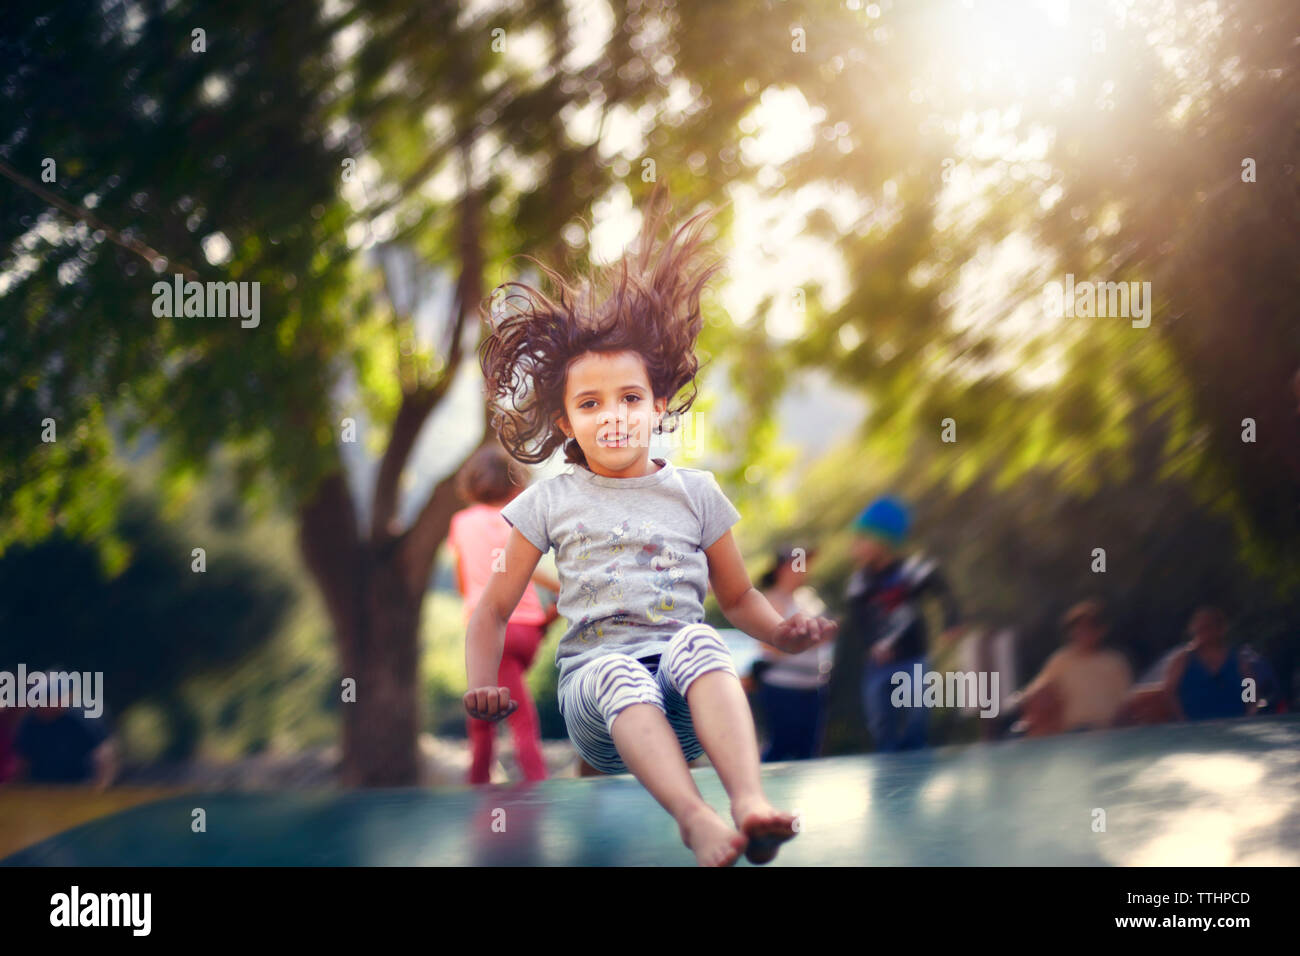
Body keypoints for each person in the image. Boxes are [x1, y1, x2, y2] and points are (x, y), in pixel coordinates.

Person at [464, 188, 838, 866]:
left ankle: (748, 802)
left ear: (658, 406)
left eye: (630, 398)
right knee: (615, 672)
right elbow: (490, 610)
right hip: (594, 701)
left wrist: (783, 633)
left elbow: (737, 598)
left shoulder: (696, 492)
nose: (613, 415)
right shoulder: (550, 502)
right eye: (590, 402)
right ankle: (695, 819)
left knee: (701, 639)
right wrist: (482, 681)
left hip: (682, 696)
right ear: (565, 422)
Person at [449, 443, 560, 784]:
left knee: (498, 719)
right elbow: (531, 571)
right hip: (528, 630)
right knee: (496, 705)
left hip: (491, 632)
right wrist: (551, 610)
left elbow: (463, 582)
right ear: (516, 485)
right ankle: (484, 783)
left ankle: (506, 787)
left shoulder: (462, 523)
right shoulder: (516, 520)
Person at [843, 496, 961, 752]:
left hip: (913, 658)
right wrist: (873, 644)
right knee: (881, 724)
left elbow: (944, 593)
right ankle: (887, 777)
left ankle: (917, 767)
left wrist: (951, 623)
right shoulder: (860, 580)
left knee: (917, 720)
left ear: (882, 541)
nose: (855, 545)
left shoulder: (912, 569)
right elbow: (859, 620)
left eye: (862, 539)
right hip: (879, 664)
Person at [755, 545, 833, 761]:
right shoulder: (771, 600)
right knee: (781, 746)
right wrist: (804, 640)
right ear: (782, 568)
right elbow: (767, 645)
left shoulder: (809, 598)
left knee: (808, 750)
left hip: (814, 686)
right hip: (783, 687)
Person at [1011, 599, 1133, 735]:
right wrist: (1021, 700)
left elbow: (1125, 701)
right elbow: (1038, 690)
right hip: (1072, 733)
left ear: (1101, 630)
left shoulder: (1115, 662)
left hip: (1107, 732)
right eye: (1078, 628)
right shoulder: (1061, 660)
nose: (1083, 633)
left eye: (1089, 628)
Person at [1160, 607, 1257, 721]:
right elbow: (1169, 693)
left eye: (1208, 627)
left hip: (1234, 724)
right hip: (1194, 728)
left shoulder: (1237, 659)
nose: (1203, 633)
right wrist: (1182, 719)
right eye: (1199, 629)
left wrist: (1249, 714)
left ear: (1220, 629)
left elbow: (1249, 686)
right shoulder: (1182, 660)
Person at [12, 704, 117, 789]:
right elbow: (23, 761)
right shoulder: (29, 723)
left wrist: (100, 787)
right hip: (42, 787)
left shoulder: (81, 719)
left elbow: (105, 754)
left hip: (81, 786)